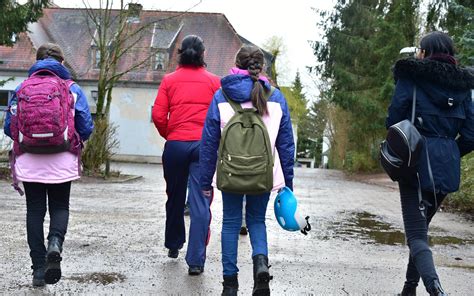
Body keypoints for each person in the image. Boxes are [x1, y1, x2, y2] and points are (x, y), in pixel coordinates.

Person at [199, 45, 295, 296]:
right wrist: (288, 182)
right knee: (256, 221)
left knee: (231, 223)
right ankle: (260, 269)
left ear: (236, 65)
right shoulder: (275, 97)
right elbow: (286, 144)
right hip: (263, 173)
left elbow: (209, 142)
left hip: (231, 172)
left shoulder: (221, 96)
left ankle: (230, 285)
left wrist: (205, 180)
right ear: (261, 67)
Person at [386, 31, 474, 296]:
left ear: (424, 53)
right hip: (446, 165)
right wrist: (449, 152)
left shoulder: (411, 77)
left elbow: (394, 118)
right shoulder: (463, 86)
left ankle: (435, 289)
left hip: (415, 160)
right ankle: (408, 288)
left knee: (415, 233)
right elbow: (471, 133)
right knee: (421, 230)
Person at [4, 43, 94, 287]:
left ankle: (38, 270)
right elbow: (85, 125)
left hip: (29, 159)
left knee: (34, 211)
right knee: (59, 206)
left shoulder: (23, 87)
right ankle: (55, 242)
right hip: (62, 158)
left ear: (37, 61)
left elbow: (8, 127)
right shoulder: (72, 88)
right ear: (61, 63)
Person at [152, 35, 220, 275]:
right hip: (204, 147)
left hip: (176, 145)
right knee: (200, 201)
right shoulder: (214, 82)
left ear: (180, 53)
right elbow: (221, 117)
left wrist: (171, 135)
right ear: (203, 55)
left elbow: (159, 116)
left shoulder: (169, 81)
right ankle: (196, 261)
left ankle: (173, 244)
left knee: (175, 196)